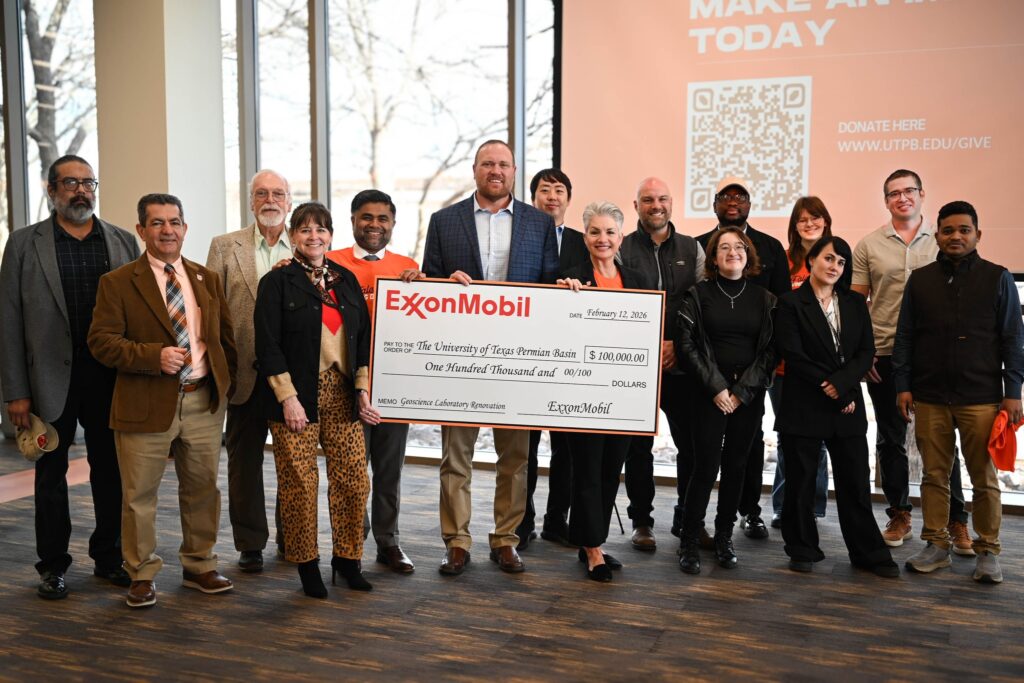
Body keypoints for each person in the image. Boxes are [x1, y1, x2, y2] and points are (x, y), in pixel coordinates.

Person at [88, 193, 237, 609]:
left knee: (203, 489)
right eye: (157, 223)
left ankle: (200, 564)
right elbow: (101, 342)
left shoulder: (206, 278)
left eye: (174, 222)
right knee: (138, 496)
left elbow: (222, 337)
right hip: (144, 402)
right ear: (141, 230)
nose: (167, 230)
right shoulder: (116, 283)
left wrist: (228, 385)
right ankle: (140, 572)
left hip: (202, 401)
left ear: (185, 228)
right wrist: (152, 357)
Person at [0, 154, 139, 599]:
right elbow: (9, 321)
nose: (81, 191)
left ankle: (109, 556)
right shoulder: (24, 245)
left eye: (88, 183)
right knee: (50, 476)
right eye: (70, 183)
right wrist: (16, 392)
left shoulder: (120, 241)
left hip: (108, 377)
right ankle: (52, 565)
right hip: (48, 382)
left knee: (111, 471)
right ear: (51, 189)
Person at [421, 139, 559, 575]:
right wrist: (445, 283)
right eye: (487, 164)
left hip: (519, 361)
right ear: (475, 170)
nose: (495, 171)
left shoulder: (540, 223)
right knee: (455, 457)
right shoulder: (444, 222)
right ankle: (456, 541)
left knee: (516, 459)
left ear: (515, 172)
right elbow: (429, 285)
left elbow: (552, 290)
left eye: (503, 164)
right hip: (462, 358)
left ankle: (505, 539)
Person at [894, 201, 1024, 583]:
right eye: (948, 230)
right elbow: (904, 337)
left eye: (964, 230)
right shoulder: (920, 280)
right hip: (930, 394)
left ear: (977, 235)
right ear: (937, 235)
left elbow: (1013, 340)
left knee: (983, 478)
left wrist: (1013, 392)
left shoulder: (998, 277)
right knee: (934, 475)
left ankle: (988, 551)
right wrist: (903, 385)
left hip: (981, 396)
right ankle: (936, 544)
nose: (956, 236)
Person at [255, 201, 379, 598]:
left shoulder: (344, 280)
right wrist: (288, 399)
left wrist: (362, 390)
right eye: (305, 230)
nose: (314, 237)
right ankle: (307, 565)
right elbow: (268, 345)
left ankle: (347, 559)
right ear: (293, 236)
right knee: (299, 484)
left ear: (330, 235)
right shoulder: (277, 282)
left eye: (321, 230)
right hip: (295, 396)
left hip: (342, 393)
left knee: (354, 480)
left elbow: (363, 341)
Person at [852, 170, 971, 552]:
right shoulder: (869, 244)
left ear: (921, 195)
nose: (902, 198)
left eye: (908, 191)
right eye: (893, 193)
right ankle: (899, 513)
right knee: (891, 438)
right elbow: (857, 305)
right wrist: (862, 352)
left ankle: (957, 521)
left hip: (934, 355)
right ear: (886, 201)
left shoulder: (942, 241)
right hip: (883, 354)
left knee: (942, 439)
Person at [774, 236, 899, 578]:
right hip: (805, 403)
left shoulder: (855, 304)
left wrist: (842, 386)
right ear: (811, 260)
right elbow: (794, 354)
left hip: (846, 404)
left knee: (855, 483)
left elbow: (865, 352)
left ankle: (867, 553)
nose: (834, 266)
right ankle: (801, 548)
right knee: (800, 482)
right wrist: (834, 387)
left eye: (841, 262)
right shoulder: (789, 303)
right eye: (828, 258)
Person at [327, 189, 419, 574]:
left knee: (388, 468)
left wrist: (425, 288)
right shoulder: (328, 262)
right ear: (352, 221)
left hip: (392, 383)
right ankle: (351, 542)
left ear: (393, 224)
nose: (374, 225)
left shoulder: (408, 266)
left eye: (382, 219)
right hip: (342, 382)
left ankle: (388, 541)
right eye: (366, 217)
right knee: (348, 469)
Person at [206, 169, 292, 572]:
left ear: (289, 202)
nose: (270, 200)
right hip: (243, 375)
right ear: (251, 201)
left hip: (293, 378)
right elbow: (212, 313)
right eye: (262, 193)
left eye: (278, 193)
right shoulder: (225, 247)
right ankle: (251, 543)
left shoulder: (308, 243)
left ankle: (294, 535)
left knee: (294, 462)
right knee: (243, 463)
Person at [676, 228, 776, 574]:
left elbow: (769, 352)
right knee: (704, 467)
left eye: (739, 247)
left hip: (747, 396)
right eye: (724, 248)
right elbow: (686, 345)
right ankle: (689, 540)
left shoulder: (765, 299)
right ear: (714, 258)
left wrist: (740, 392)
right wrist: (718, 389)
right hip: (707, 394)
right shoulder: (697, 294)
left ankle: (723, 537)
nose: (733, 252)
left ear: (748, 255)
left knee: (737, 466)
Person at [556, 201, 646, 582]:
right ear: (585, 236)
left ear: (621, 237)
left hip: (623, 395)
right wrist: (561, 296)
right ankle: (592, 548)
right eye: (595, 232)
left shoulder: (638, 280)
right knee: (589, 470)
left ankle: (592, 539)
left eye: (610, 232)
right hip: (583, 394)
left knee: (611, 470)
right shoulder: (571, 278)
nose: (602, 238)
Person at [696, 176, 789, 541]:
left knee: (749, 444)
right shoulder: (699, 245)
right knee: (702, 449)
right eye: (725, 196)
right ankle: (694, 521)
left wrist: (762, 365)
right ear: (714, 203)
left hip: (755, 367)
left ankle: (749, 511)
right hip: (710, 370)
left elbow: (782, 305)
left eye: (741, 196)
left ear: (751, 204)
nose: (733, 201)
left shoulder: (770, 246)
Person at [618, 176, 705, 552]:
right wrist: (651, 345)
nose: (657, 205)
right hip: (638, 364)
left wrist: (676, 346)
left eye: (663, 199)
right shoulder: (621, 249)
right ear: (636, 206)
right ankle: (642, 522)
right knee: (638, 447)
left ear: (673, 203)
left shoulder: (693, 248)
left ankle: (688, 519)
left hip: (682, 364)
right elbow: (618, 306)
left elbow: (701, 305)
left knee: (691, 446)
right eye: (648, 200)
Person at [519, 168, 588, 548]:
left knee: (567, 450)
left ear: (568, 198)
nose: (552, 196)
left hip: (571, 359)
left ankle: (555, 520)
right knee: (524, 449)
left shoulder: (582, 241)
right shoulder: (522, 236)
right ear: (533, 197)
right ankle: (522, 522)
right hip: (529, 354)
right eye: (544, 190)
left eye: (559, 190)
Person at [769, 197, 837, 528]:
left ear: (826, 221)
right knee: (787, 437)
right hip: (784, 369)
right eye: (802, 219)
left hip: (823, 369)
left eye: (815, 217)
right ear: (794, 225)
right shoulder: (783, 261)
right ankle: (784, 506)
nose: (809, 223)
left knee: (817, 438)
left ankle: (810, 506)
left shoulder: (837, 257)